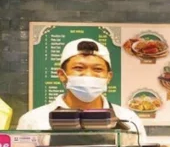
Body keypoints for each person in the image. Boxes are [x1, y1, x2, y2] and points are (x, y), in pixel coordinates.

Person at [17, 38, 146, 136]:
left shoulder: (129, 120)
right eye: (79, 68)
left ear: (109, 77)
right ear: (62, 75)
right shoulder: (33, 121)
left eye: (97, 69)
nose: (88, 75)